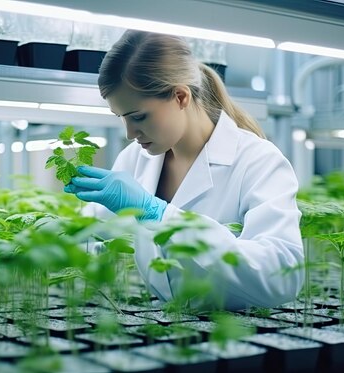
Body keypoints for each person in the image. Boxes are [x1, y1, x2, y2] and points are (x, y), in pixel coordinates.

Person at [64, 30, 303, 310]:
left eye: (138, 116)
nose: (129, 133)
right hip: (166, 324)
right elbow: (96, 237)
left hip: (239, 333)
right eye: (122, 118)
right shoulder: (134, 159)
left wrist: (161, 215)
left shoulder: (258, 161)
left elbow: (282, 278)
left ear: (180, 96)